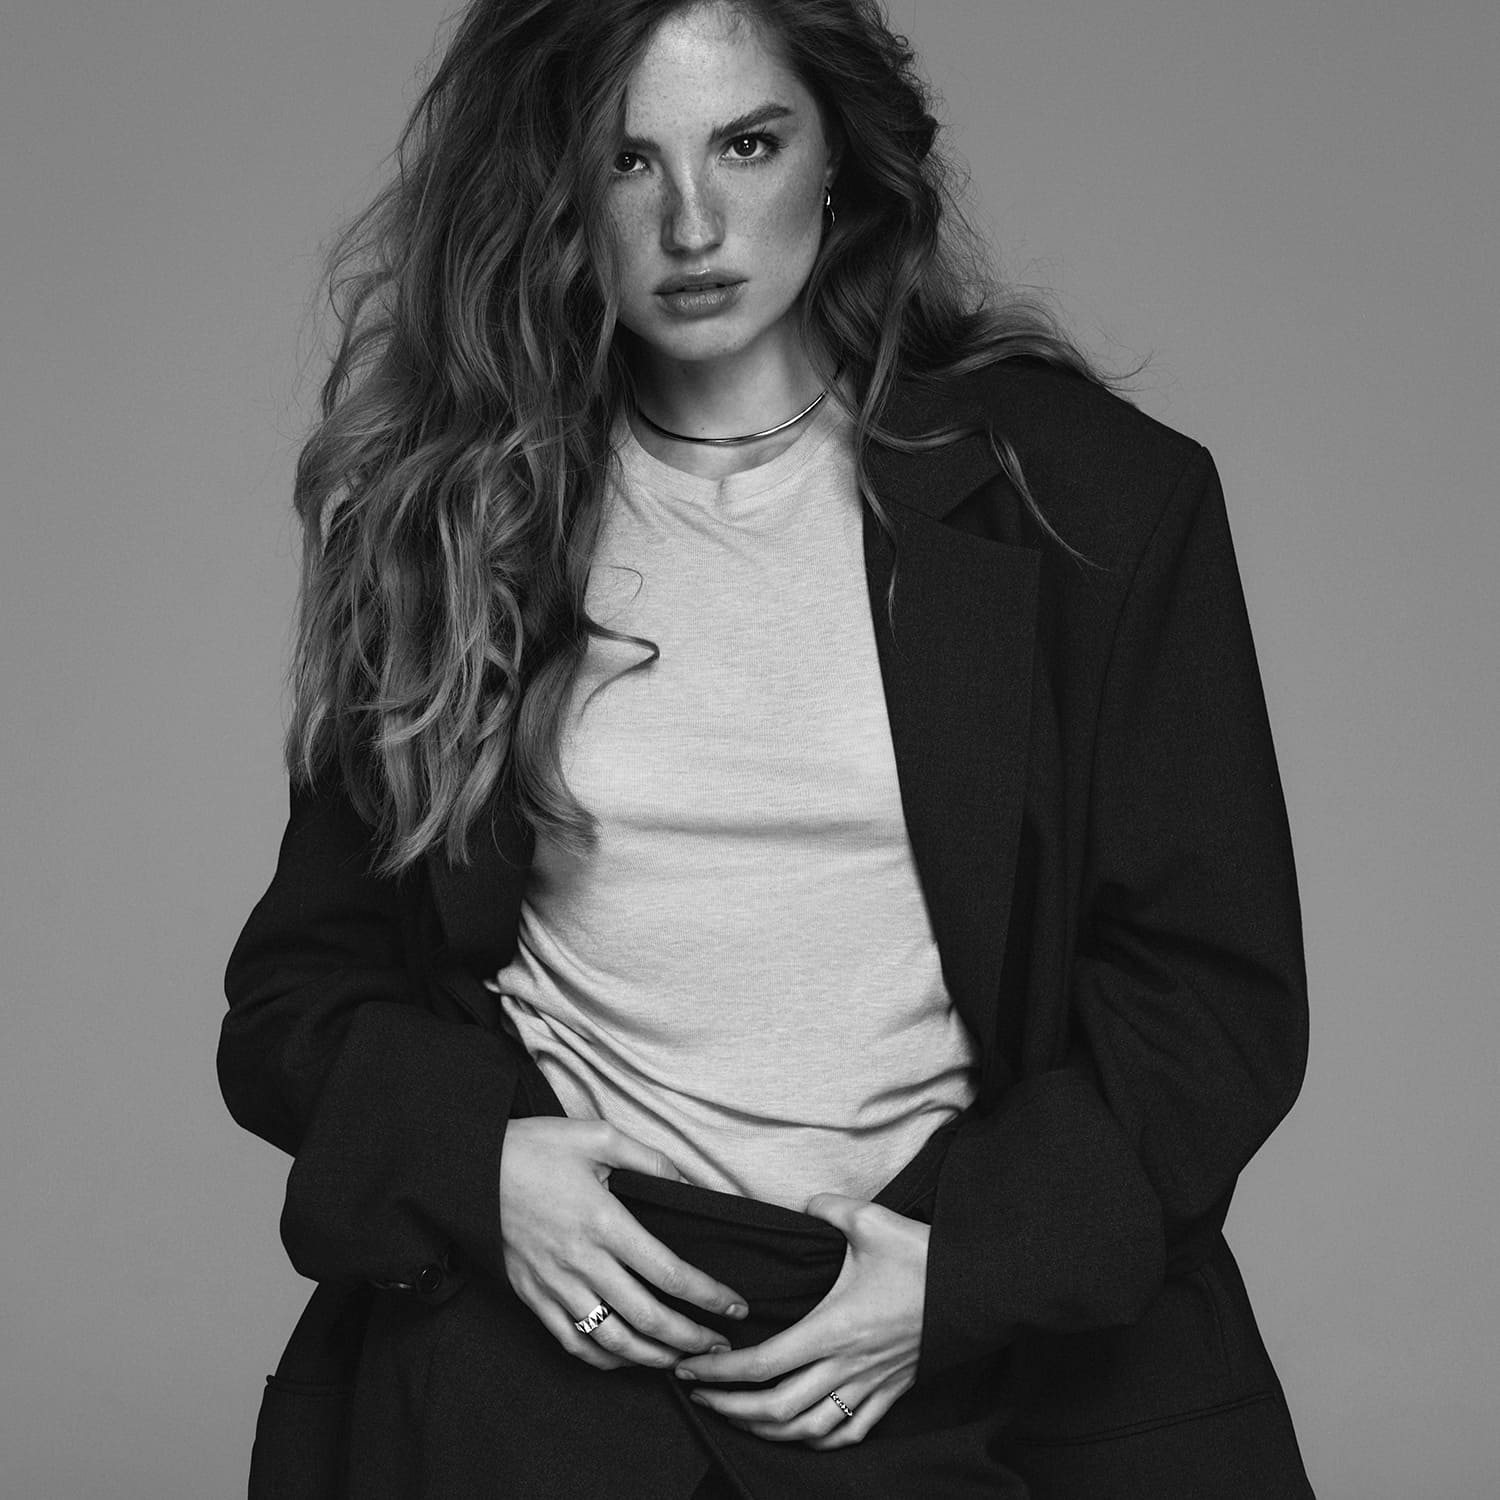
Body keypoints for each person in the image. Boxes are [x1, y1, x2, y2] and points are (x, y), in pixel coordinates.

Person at [220, 1, 1314, 1495]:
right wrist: (482, 1165)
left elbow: (1213, 993)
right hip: (540, 1368)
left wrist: (967, 1268)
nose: (691, 224)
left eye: (746, 144)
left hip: (951, 1350)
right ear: (553, 187)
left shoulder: (1091, 505)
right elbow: (296, 997)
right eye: (628, 160)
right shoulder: (451, 523)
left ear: (839, 158)